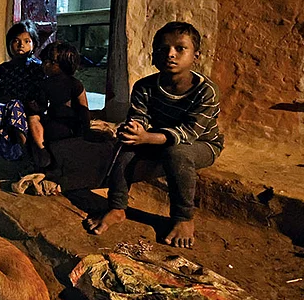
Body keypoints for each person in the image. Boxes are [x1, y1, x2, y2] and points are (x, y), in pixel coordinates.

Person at [87, 22, 223, 248]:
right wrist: (133, 130)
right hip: (156, 138)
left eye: (180, 49)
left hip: (202, 143)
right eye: (163, 49)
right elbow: (139, 117)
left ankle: (183, 218)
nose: (170, 54)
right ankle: (117, 207)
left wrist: (147, 138)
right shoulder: (145, 86)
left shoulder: (206, 91)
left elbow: (190, 133)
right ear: (154, 54)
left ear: (196, 56)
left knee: (177, 152)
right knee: (126, 145)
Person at [0, 20, 44, 171]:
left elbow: (41, 98)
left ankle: (27, 156)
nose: (21, 45)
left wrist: (23, 103)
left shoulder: (38, 68)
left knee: (15, 106)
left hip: (29, 119)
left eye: (27, 41)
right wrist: (8, 101)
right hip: (5, 119)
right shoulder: (2, 70)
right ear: (9, 44)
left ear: (34, 44)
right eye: (16, 41)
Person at [27, 41, 90, 170]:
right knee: (34, 118)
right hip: (64, 125)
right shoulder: (74, 84)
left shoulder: (70, 84)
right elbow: (84, 110)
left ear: (64, 64)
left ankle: (41, 149)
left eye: (50, 62)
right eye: (45, 61)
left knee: (33, 118)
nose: (45, 64)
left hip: (63, 126)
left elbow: (83, 110)